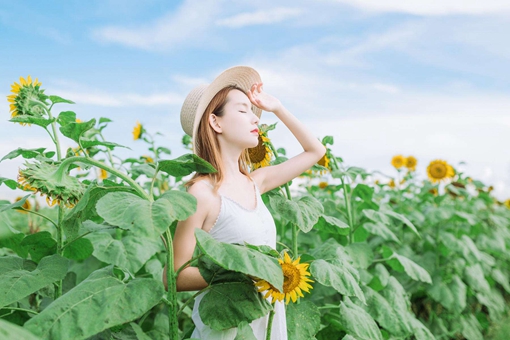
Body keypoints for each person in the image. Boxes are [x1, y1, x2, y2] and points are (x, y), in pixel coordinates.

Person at [164, 66, 326, 339]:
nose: (256, 120)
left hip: (269, 326)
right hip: (227, 330)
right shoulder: (201, 194)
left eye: (254, 112)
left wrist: (278, 108)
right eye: (243, 110)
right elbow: (175, 276)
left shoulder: (255, 182)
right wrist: (248, 270)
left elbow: (316, 151)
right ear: (216, 122)